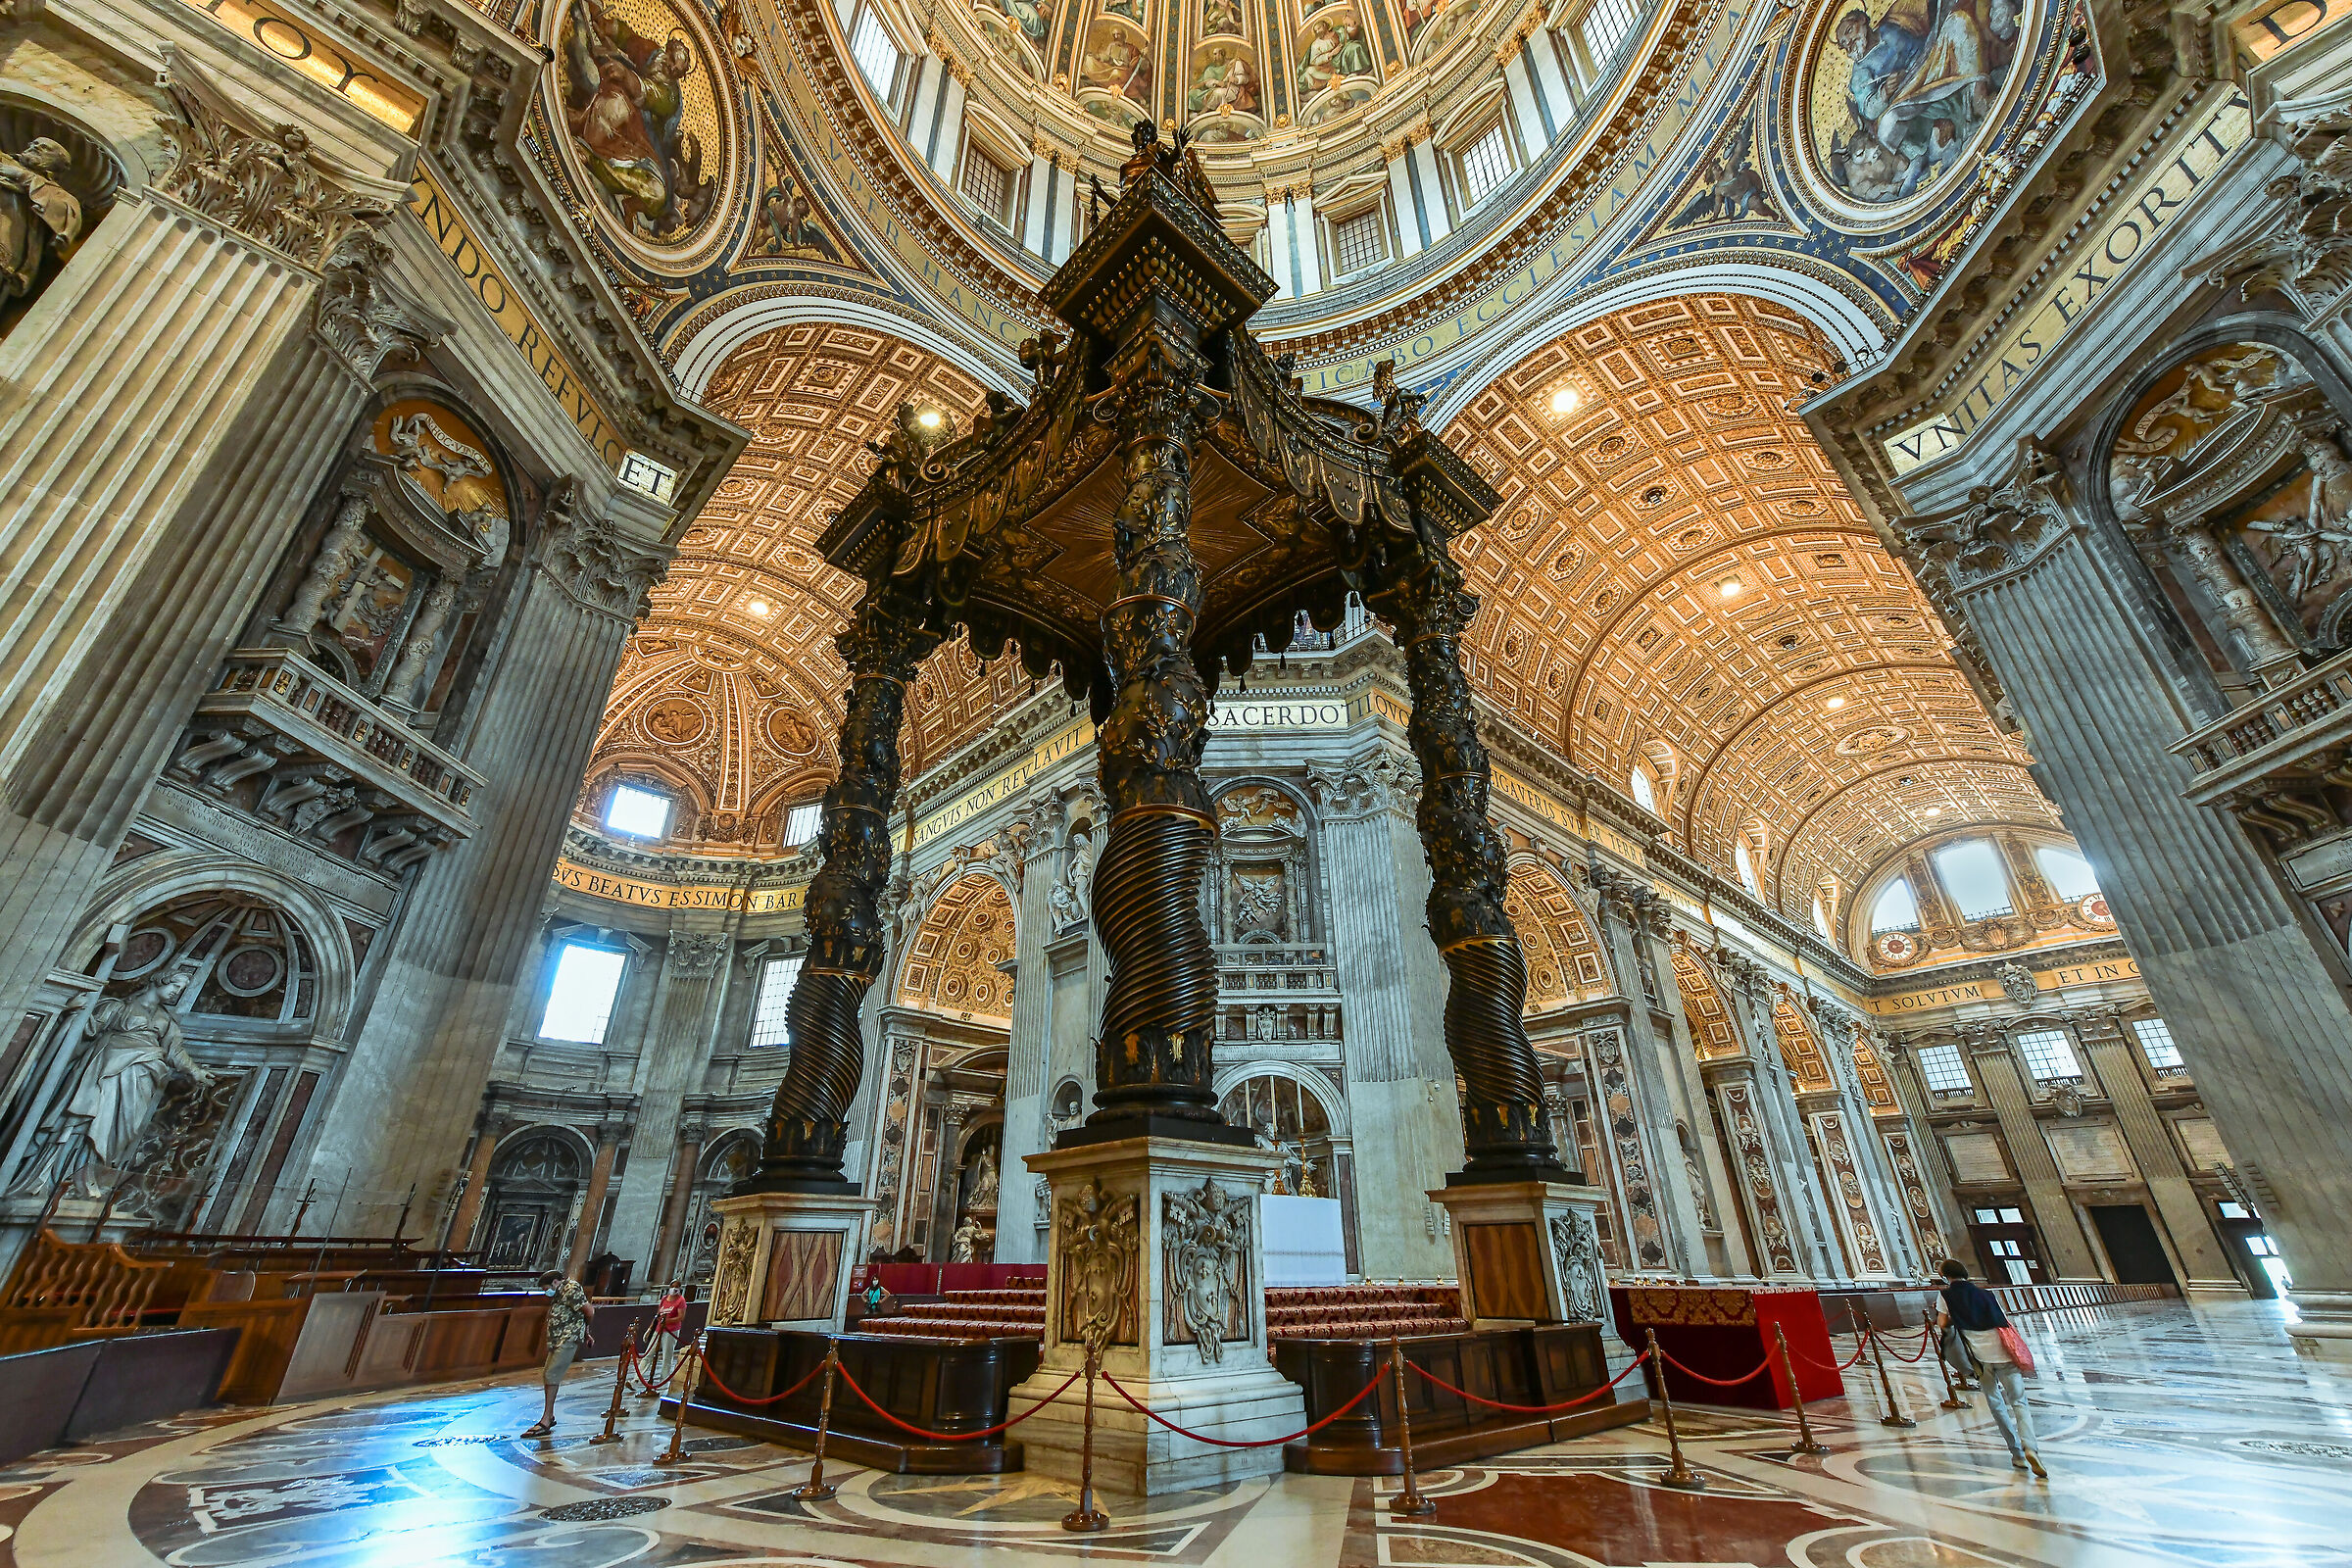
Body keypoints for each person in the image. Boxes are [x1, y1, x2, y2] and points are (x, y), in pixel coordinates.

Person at [1934, 1258, 2042, 1476]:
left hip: (1979, 1355)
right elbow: (2002, 1320)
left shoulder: (1946, 1295)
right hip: (2002, 1350)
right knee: (2019, 1401)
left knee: (1995, 1402)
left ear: (1946, 1276)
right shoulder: (1987, 1293)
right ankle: (2030, 1446)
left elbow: (1943, 1324)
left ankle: (2017, 1454)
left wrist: (1957, 1317)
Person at [523, 1269, 594, 1438]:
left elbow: (589, 1311)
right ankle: (549, 1415)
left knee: (552, 1375)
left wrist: (584, 1331)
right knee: (548, 1375)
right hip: (557, 1339)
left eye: (546, 1288)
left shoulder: (571, 1289)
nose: (545, 1292)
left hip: (567, 1339)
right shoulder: (560, 1291)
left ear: (555, 1282)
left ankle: (546, 1419)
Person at [646, 1279, 688, 1382]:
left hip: (671, 1331)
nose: (674, 1289)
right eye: (672, 1286)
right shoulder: (664, 1299)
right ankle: (636, 1380)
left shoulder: (680, 1301)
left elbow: (681, 1317)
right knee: (648, 1354)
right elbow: (658, 1315)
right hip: (658, 1329)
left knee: (667, 1357)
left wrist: (667, 1321)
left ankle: (663, 1380)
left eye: (676, 1287)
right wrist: (650, 1328)